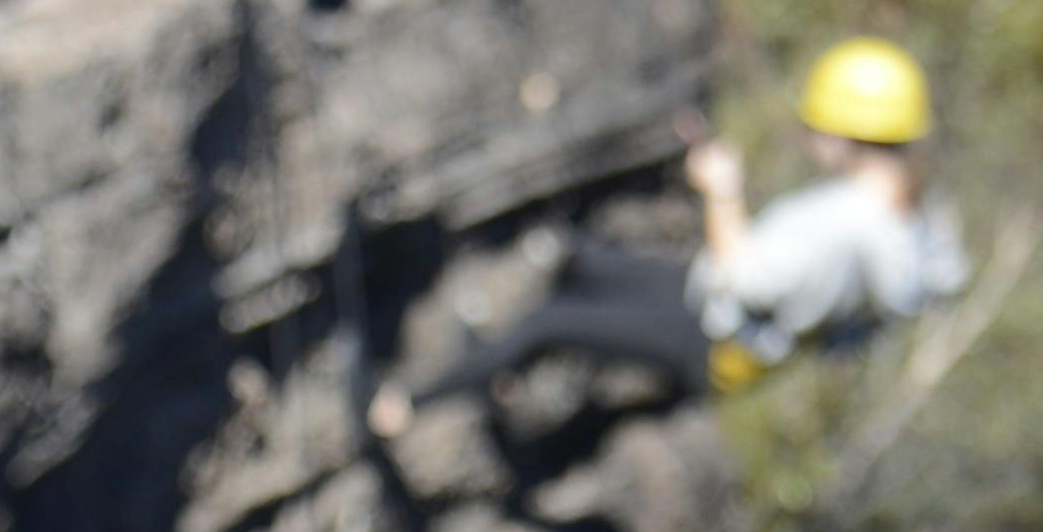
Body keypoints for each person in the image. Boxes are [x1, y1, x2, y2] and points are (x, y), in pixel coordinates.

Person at [391, 40, 975, 412]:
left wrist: (723, 193)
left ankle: (404, 403)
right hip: (723, 321)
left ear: (849, 130)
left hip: (714, 337)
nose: (813, 135)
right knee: (581, 262)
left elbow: (743, 279)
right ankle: (502, 368)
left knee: (551, 323)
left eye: (821, 125)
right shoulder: (912, 226)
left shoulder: (842, 224)